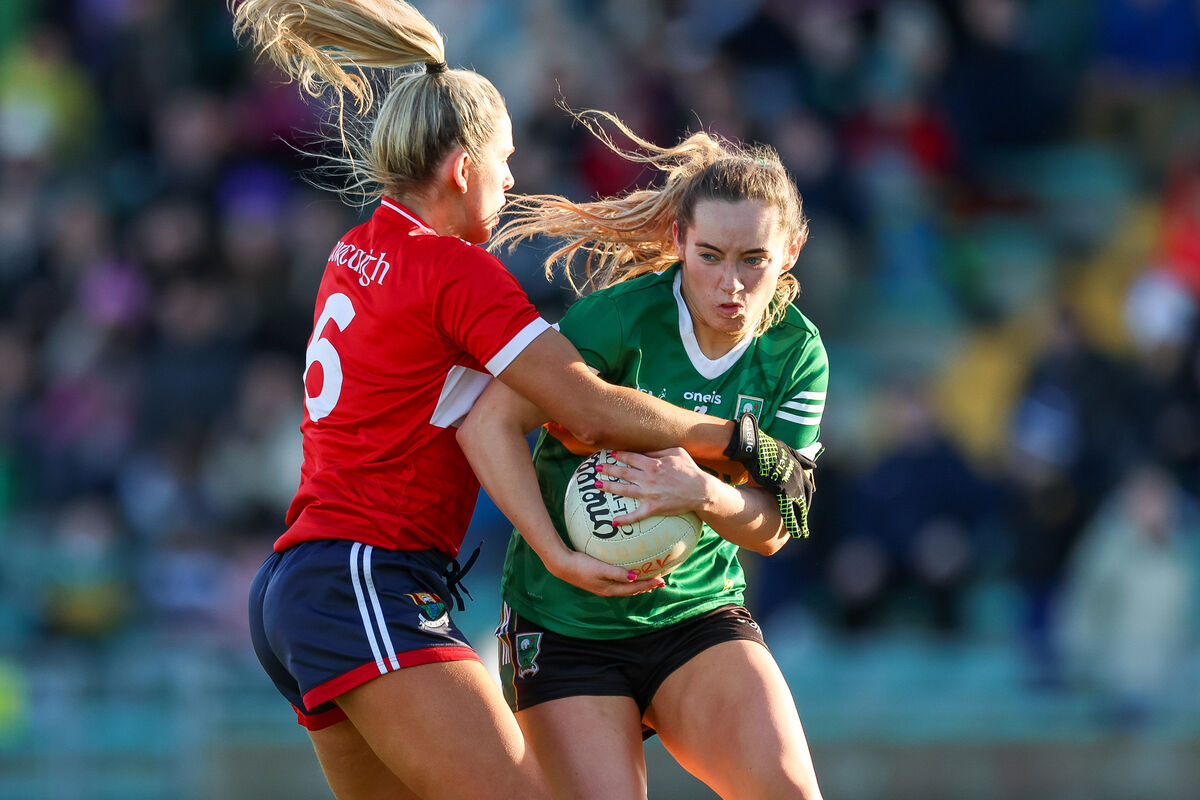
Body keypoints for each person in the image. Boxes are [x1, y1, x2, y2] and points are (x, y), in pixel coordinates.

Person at [232, 3, 809, 799]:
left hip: (308, 584)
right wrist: (739, 441)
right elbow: (591, 410)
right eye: (505, 164)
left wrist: (551, 541)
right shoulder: (457, 270)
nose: (512, 183)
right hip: (366, 578)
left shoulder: (357, 245)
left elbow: (475, 418)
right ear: (463, 168)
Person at [458, 110, 827, 800]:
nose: (731, 285)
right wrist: (556, 552)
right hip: (565, 623)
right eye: (710, 256)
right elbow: (489, 427)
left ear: (793, 251)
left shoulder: (798, 354)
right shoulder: (617, 320)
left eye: (756, 261)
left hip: (695, 613)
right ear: (679, 239)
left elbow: (777, 528)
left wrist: (702, 493)